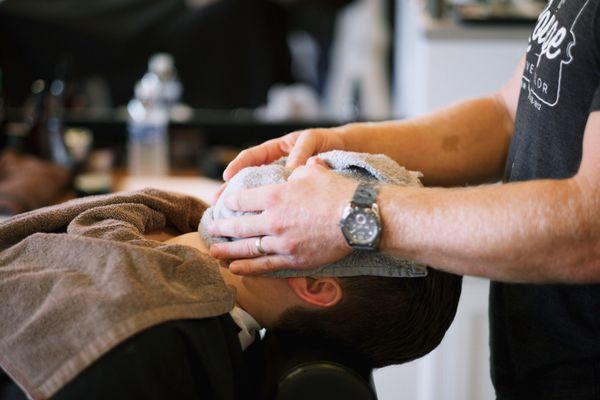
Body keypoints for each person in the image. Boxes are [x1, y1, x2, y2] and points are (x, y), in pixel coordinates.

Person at [207, 0, 600, 398]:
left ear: (314, 285)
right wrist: (341, 143)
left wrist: (351, 212)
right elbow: (508, 116)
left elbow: (590, 229)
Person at [0, 181, 461, 400]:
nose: (307, 169)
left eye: (331, 189)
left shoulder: (144, 342)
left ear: (315, 286)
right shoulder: (167, 223)